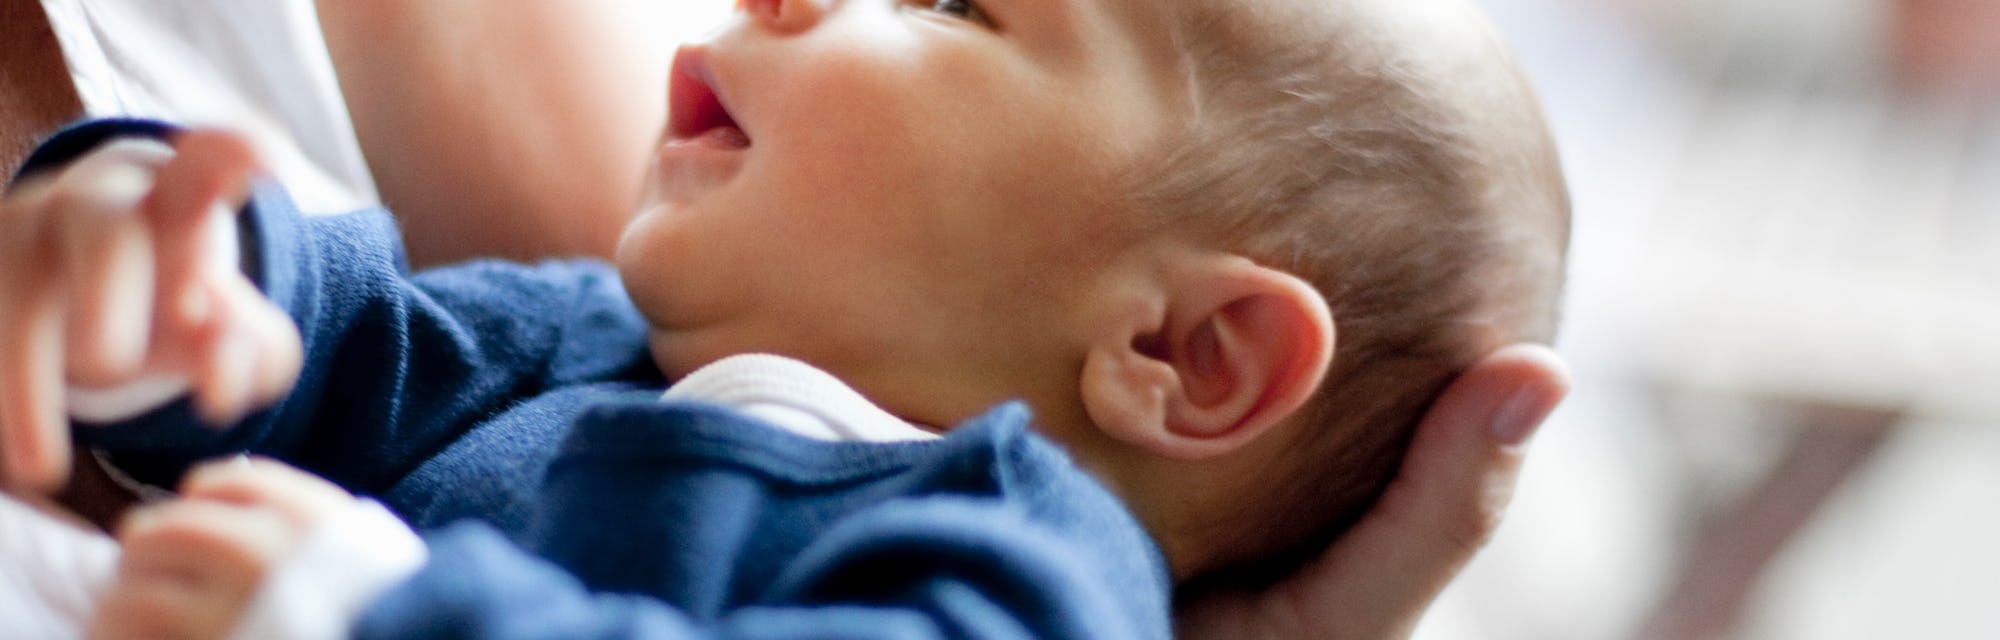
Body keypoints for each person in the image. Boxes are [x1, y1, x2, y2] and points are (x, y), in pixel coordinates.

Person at [0, 0, 1572, 637]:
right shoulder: (593, 342)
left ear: (1179, 353)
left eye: (949, 0)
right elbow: (358, 354)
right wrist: (180, 274)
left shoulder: (1019, 574)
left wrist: (383, 620)